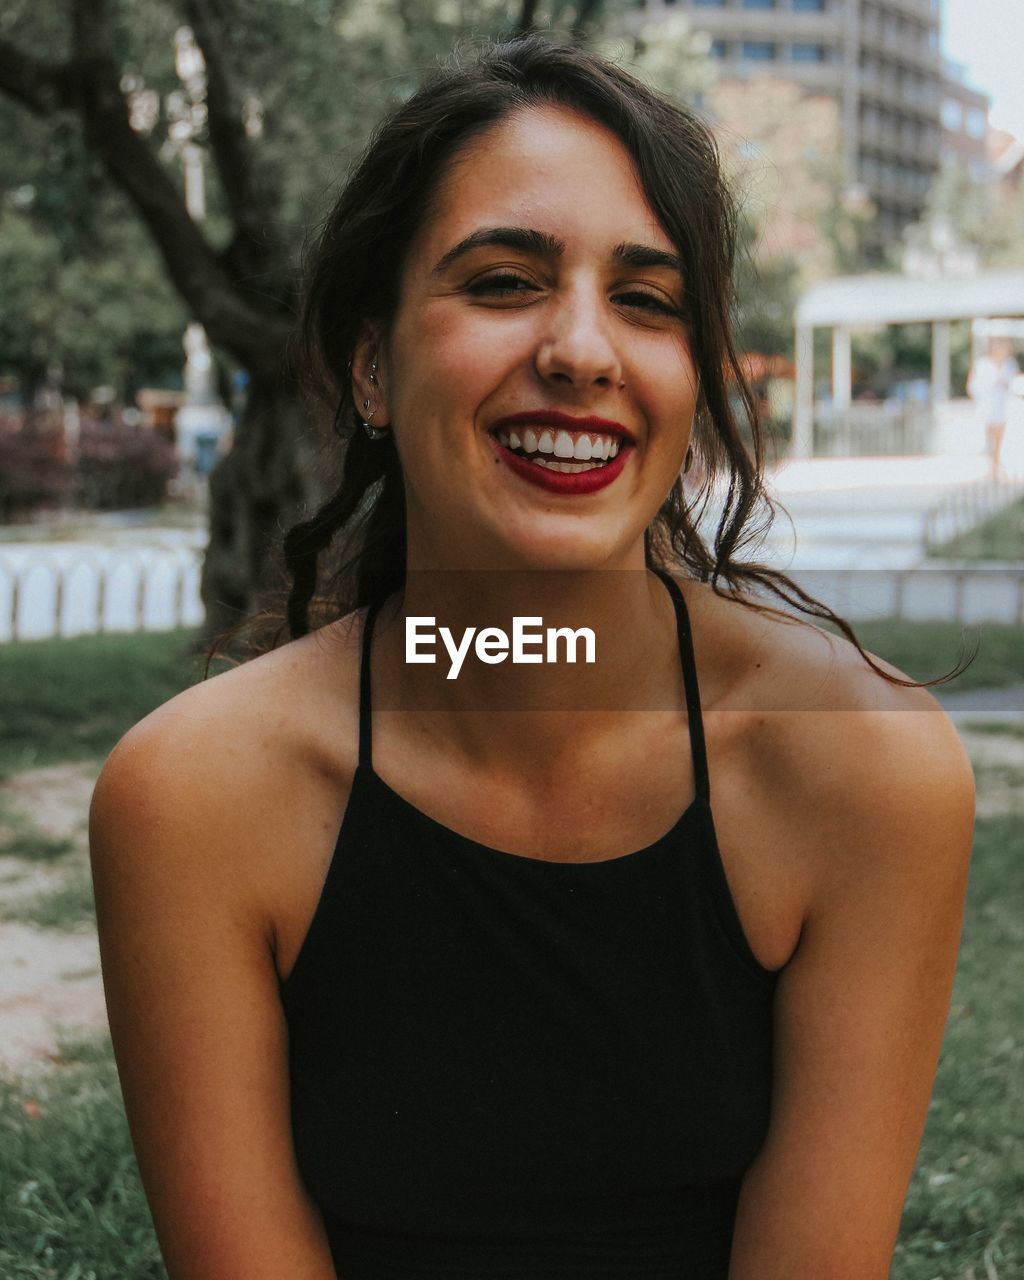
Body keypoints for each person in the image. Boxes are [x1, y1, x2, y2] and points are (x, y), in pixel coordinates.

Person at [88, 36, 976, 1280]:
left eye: (648, 298)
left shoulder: (862, 768)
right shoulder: (194, 793)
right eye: (504, 280)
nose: (582, 349)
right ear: (371, 365)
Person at [967, 336, 1020, 478]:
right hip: (987, 406)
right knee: (989, 438)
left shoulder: (1010, 364)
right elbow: (973, 386)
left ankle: (996, 467)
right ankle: (991, 467)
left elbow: (1015, 383)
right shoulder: (982, 364)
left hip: (1004, 406)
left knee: (1000, 439)